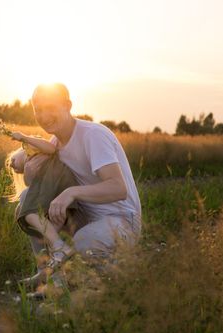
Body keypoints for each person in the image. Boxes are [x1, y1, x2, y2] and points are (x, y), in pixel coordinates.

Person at [11, 83, 141, 271]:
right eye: (38, 110)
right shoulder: (54, 144)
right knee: (27, 200)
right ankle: (48, 274)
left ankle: (122, 272)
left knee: (83, 242)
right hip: (85, 217)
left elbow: (118, 189)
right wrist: (22, 160)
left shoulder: (92, 135)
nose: (44, 116)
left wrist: (71, 193)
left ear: (67, 105)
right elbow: (37, 183)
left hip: (121, 221)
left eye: (50, 108)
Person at [7, 146, 80, 285]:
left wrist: (24, 138)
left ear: (23, 150)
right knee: (30, 217)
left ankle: (55, 275)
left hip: (65, 202)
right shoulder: (34, 164)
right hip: (63, 203)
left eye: (12, 159)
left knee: (25, 200)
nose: (10, 165)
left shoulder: (36, 152)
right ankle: (46, 273)